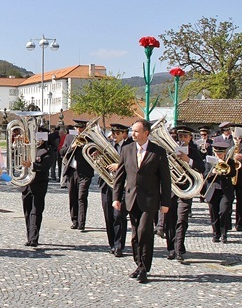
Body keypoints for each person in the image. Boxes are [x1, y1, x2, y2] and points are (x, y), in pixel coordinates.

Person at [112, 119, 171, 284]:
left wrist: (165, 203)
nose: (133, 134)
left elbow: (166, 180)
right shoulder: (127, 149)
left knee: (145, 232)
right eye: (132, 131)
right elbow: (120, 176)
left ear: (146, 133)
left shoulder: (158, 152)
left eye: (137, 131)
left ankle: (145, 268)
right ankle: (138, 264)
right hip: (132, 198)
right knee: (135, 235)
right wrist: (116, 197)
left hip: (150, 199)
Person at [157, 126, 205, 262]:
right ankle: (171, 248)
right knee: (169, 221)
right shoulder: (171, 148)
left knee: (182, 220)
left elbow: (201, 168)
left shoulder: (194, 151)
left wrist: (187, 160)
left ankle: (178, 250)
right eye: (180, 136)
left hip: (186, 189)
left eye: (185, 136)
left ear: (190, 137)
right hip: (171, 189)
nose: (182, 139)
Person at [99, 123, 133, 256]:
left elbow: (134, 162)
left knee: (118, 215)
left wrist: (119, 165)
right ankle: (112, 243)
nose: (113, 136)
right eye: (113, 133)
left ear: (124, 134)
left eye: (117, 133)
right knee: (108, 216)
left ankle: (119, 245)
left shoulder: (131, 146)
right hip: (107, 184)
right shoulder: (109, 145)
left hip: (123, 186)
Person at [61, 119, 94, 231]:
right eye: (77, 128)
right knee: (72, 197)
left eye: (81, 128)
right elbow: (62, 152)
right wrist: (72, 146)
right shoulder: (69, 138)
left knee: (82, 197)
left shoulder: (90, 139)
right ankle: (74, 220)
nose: (79, 130)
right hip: (71, 172)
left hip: (85, 173)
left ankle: (82, 222)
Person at [22, 126, 52, 247]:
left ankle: (34, 238)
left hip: (39, 184)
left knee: (36, 211)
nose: (38, 140)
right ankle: (29, 237)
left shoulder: (48, 150)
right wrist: (16, 143)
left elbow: (45, 167)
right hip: (26, 184)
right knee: (27, 212)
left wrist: (32, 165)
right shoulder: (27, 148)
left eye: (40, 137)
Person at [203, 140, 237, 243]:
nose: (219, 155)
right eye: (217, 153)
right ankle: (216, 233)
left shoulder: (229, 161)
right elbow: (205, 175)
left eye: (221, 153)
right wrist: (212, 172)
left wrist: (226, 169)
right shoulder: (209, 161)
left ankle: (224, 233)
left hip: (225, 191)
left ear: (225, 152)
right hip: (213, 190)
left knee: (224, 211)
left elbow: (233, 174)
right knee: (214, 213)